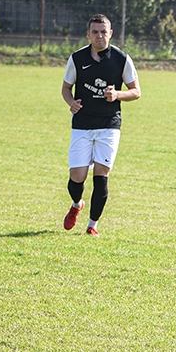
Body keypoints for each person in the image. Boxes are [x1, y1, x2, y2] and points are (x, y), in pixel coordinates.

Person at [60, 14, 141, 237]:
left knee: (101, 174)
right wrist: (71, 103)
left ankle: (92, 225)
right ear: (88, 35)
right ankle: (77, 204)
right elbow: (66, 88)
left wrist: (117, 95)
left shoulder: (121, 59)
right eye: (95, 32)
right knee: (77, 177)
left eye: (103, 32)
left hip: (109, 125)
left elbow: (136, 91)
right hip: (82, 125)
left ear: (111, 33)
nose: (99, 36)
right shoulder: (77, 58)